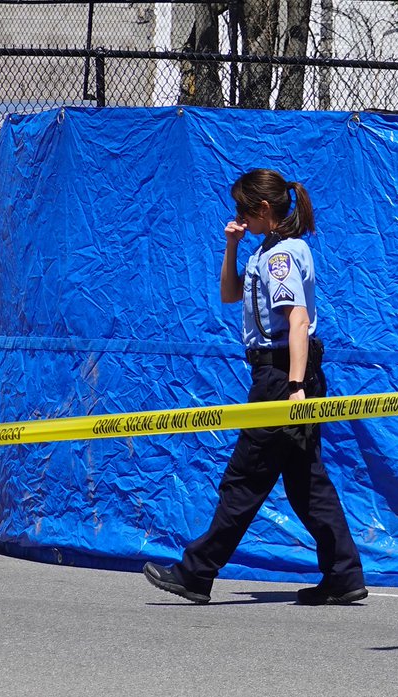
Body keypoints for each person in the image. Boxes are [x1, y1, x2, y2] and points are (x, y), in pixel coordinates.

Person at [143, 169, 368, 606]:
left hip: (282, 376)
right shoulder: (265, 252)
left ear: (263, 210)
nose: (238, 216)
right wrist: (231, 244)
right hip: (280, 372)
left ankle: (196, 572)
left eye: (243, 209)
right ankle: (344, 573)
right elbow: (229, 294)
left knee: (245, 479)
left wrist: (296, 386)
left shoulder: (281, 256)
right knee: (305, 482)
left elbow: (297, 320)